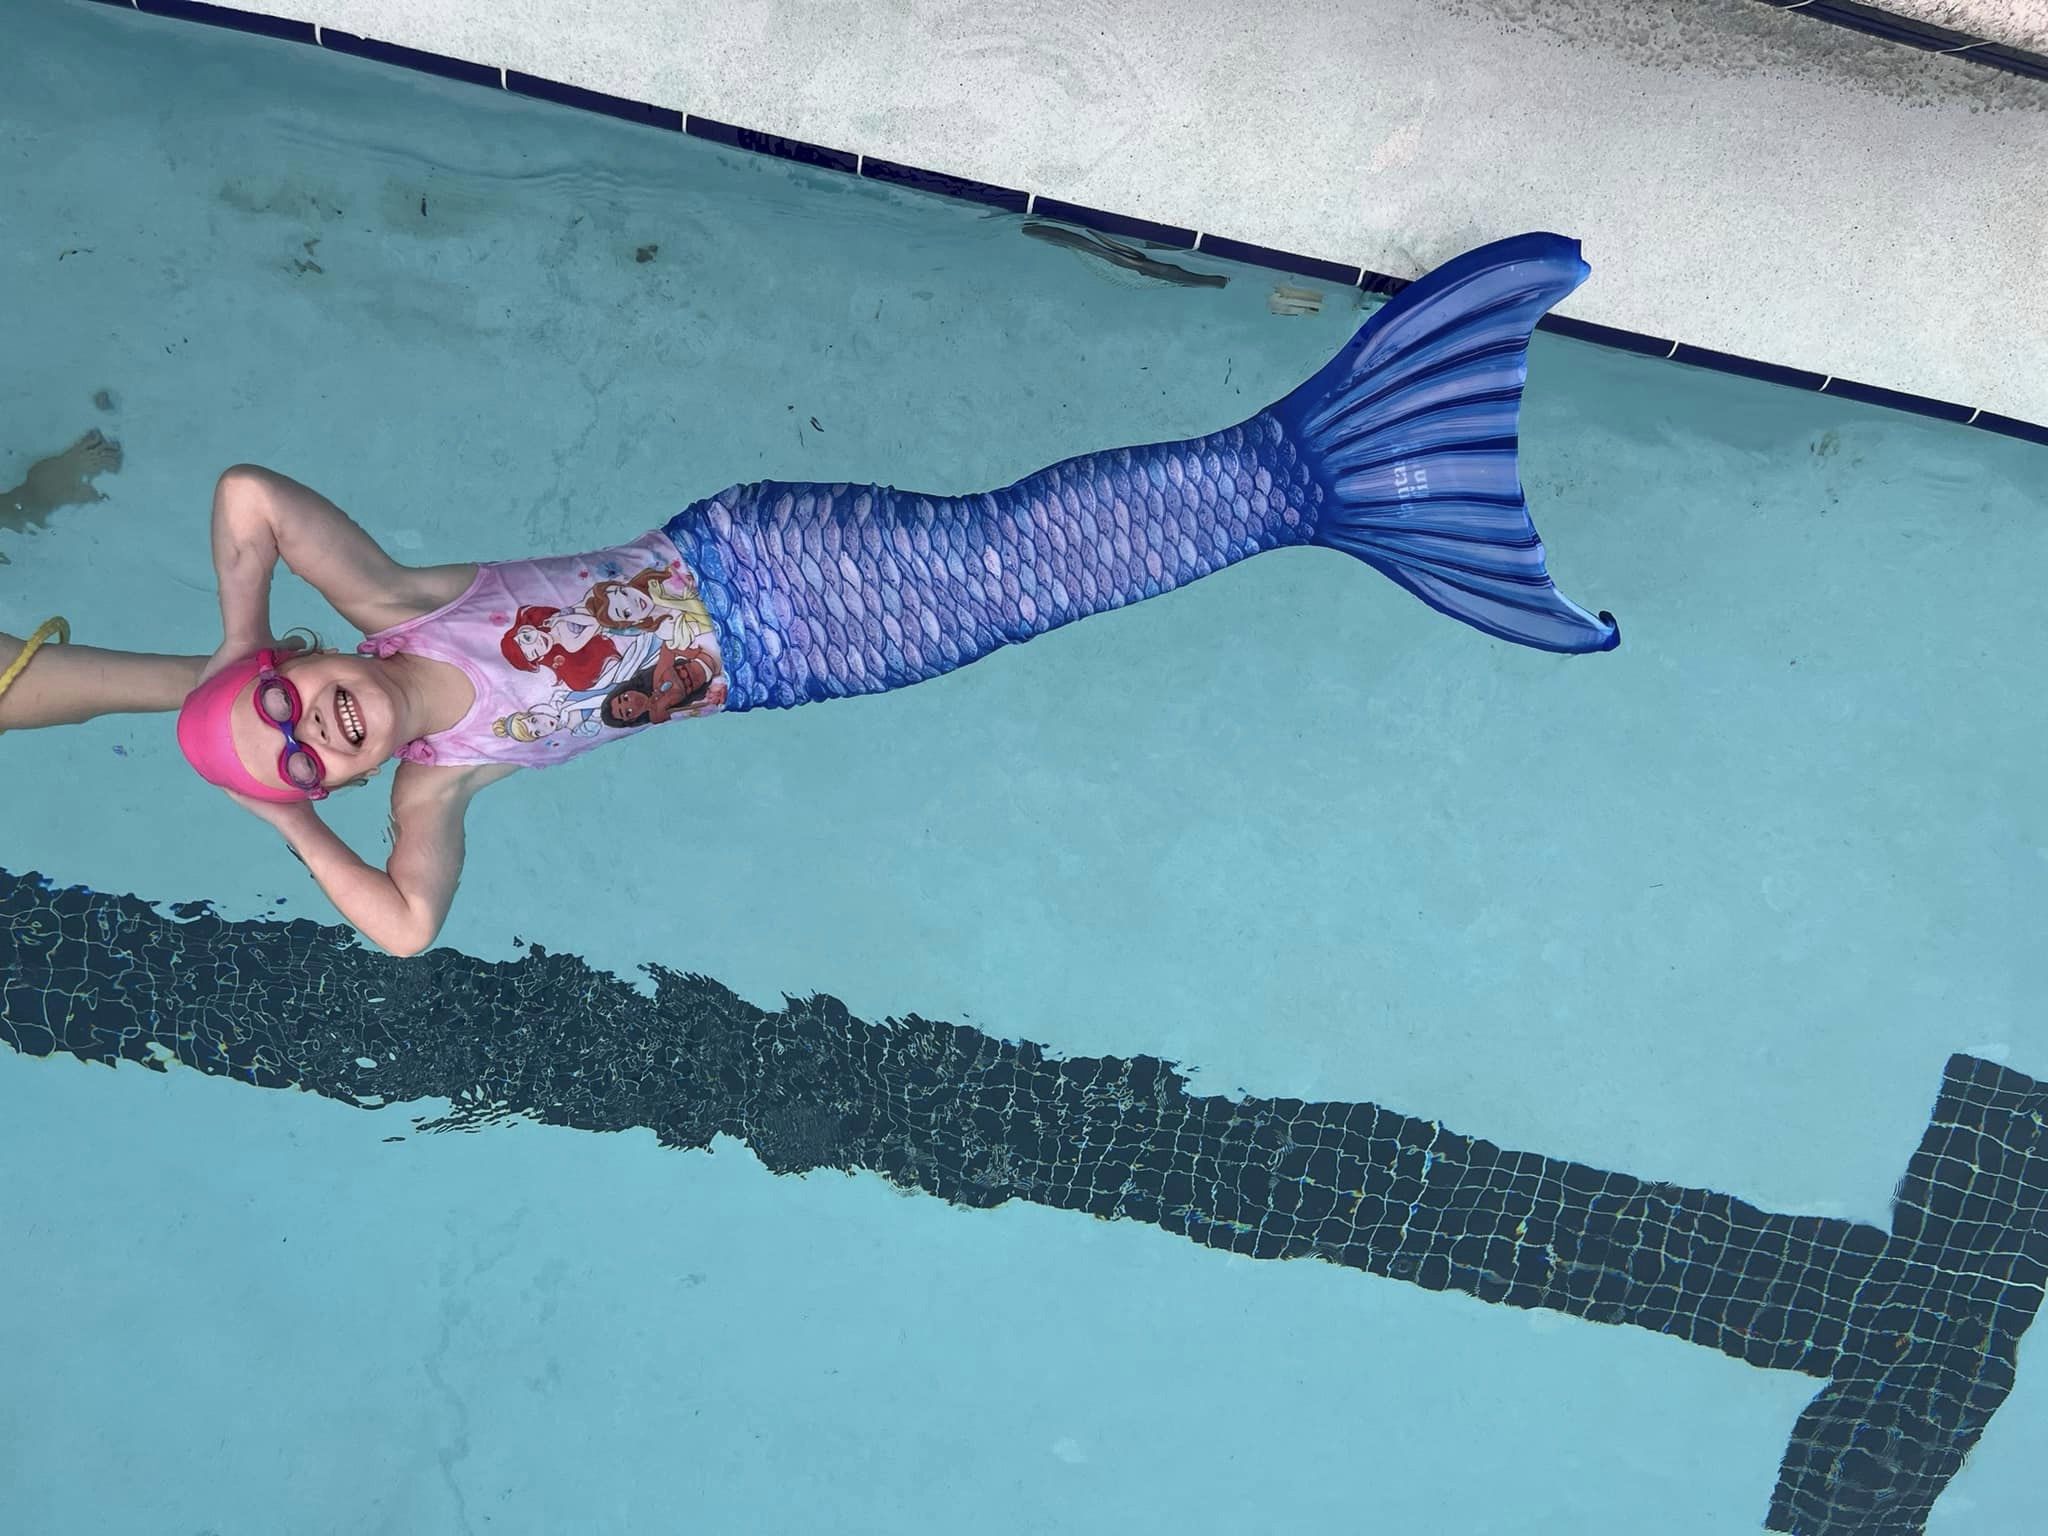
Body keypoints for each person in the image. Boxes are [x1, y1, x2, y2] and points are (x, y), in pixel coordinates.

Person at [0, 233, 1618, 956]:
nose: (316, 726)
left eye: (288, 699)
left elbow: (248, 495)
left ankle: (1320, 468)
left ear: (304, 649)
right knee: (1023, 575)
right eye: (304, 757)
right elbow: (409, 933)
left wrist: (229, 644)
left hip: (751, 559)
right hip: (801, 664)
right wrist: (288, 827)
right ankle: (1318, 474)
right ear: (341, 786)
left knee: (1012, 555)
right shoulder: (439, 784)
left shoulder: (393, 604)